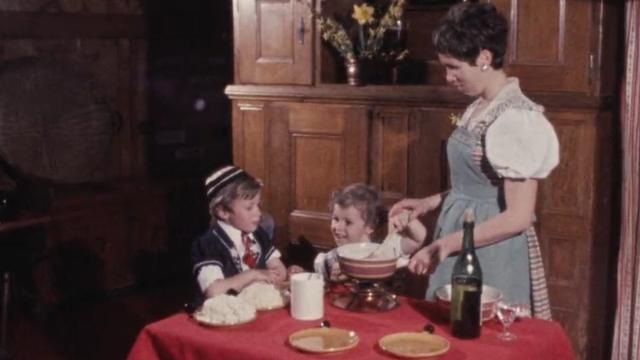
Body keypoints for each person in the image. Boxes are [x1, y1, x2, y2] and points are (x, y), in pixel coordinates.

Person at [389, 2, 559, 319]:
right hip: (459, 240)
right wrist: (428, 203)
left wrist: (445, 245)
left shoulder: (516, 118)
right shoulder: (480, 105)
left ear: (484, 58)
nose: (448, 77)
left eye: (454, 67)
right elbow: (473, 187)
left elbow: (519, 217)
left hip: (490, 252)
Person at [289, 183, 427, 281]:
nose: (337, 227)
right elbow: (319, 287)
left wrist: (406, 217)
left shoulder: (386, 250)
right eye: (335, 219)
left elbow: (418, 238)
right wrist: (301, 273)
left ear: (369, 226)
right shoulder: (328, 260)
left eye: (348, 222)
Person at [191, 165, 286, 304]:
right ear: (223, 211)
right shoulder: (208, 244)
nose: (258, 213)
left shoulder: (258, 234)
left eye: (258, 205)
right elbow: (214, 291)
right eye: (249, 207)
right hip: (223, 314)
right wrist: (253, 275)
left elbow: (278, 268)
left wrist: (277, 274)